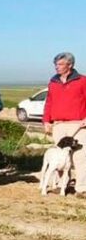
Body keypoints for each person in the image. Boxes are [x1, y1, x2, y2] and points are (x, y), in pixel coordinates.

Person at [42, 52, 86, 196]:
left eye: (60, 64)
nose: (57, 67)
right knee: (59, 158)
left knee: (79, 156)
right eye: (56, 64)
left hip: (78, 124)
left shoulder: (82, 80)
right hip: (58, 124)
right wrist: (46, 120)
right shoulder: (53, 82)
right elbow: (49, 102)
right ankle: (61, 186)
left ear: (70, 65)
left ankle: (81, 188)